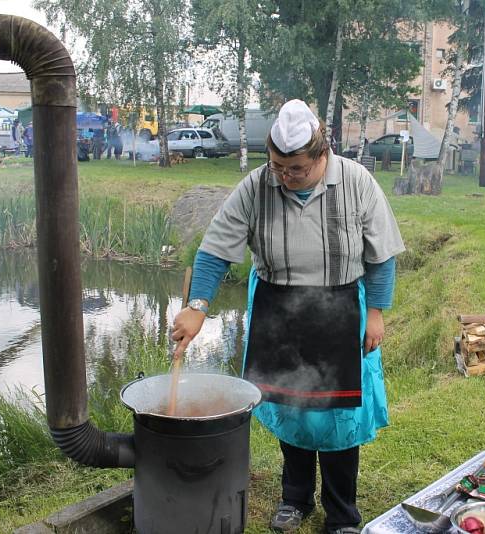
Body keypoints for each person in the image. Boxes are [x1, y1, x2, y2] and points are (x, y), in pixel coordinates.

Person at [172, 99, 405, 534]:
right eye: (278, 166)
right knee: (291, 409)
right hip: (279, 309)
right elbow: (215, 249)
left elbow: (383, 255)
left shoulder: (356, 181)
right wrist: (198, 306)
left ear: (322, 155)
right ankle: (294, 497)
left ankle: (342, 514)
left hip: (340, 306)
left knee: (339, 418)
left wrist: (375, 312)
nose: (284, 177)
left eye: (295, 168)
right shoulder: (258, 185)